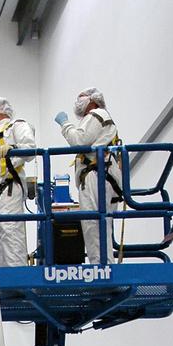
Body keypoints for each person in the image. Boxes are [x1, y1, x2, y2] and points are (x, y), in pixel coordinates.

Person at [54, 89, 121, 264]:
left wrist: (65, 124)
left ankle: (101, 267)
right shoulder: (98, 117)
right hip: (100, 174)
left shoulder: (96, 114)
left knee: (94, 224)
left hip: (97, 175)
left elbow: (79, 141)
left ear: (92, 100)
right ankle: (101, 264)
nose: (78, 100)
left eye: (81, 97)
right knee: (97, 225)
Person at [0, 97, 36, 267]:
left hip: (9, 186)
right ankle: (6, 276)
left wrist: (13, 149)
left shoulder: (15, 126)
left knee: (10, 230)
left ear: (0, 109)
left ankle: (18, 275)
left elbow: (30, 150)